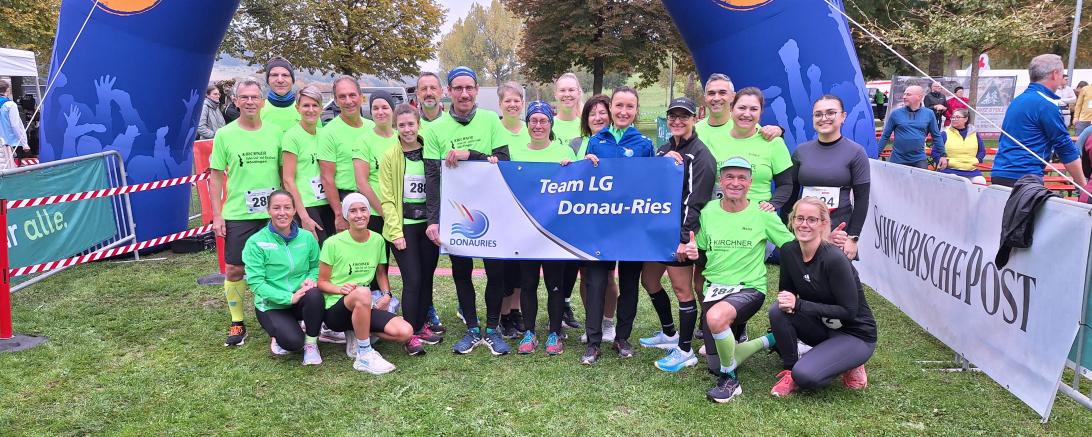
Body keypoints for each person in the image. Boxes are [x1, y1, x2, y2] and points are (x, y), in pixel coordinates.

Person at [685, 156, 791, 403]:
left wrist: (826, 245)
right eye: (729, 177)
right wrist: (694, 254)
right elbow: (701, 254)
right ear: (720, 181)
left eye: (741, 177)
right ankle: (773, 338)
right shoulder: (708, 212)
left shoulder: (762, 214)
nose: (735, 182)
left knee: (716, 319)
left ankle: (730, 380)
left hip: (749, 288)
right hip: (715, 290)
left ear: (750, 182)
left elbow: (792, 247)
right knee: (714, 361)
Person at [422, 66, 512, 355]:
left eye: (469, 88)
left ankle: (493, 328)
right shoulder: (434, 129)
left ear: (476, 90)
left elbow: (504, 160)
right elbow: (432, 178)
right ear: (448, 92)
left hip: (490, 210)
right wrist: (433, 221)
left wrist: (470, 155)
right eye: (457, 88)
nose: (463, 93)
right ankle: (472, 329)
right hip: (456, 213)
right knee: (462, 271)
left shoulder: (490, 120)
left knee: (495, 272)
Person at [768, 197, 877, 396]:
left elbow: (849, 311)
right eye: (799, 218)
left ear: (823, 224)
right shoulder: (788, 251)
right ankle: (791, 371)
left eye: (812, 220)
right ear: (791, 221)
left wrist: (799, 304)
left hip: (855, 333)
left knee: (807, 376)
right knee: (778, 311)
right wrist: (790, 302)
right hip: (824, 325)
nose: (804, 224)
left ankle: (852, 362)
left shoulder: (834, 258)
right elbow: (787, 294)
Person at [638, 97, 716, 373]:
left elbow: (695, 200)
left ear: (694, 119)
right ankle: (669, 333)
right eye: (673, 116)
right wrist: (663, 160)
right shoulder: (665, 149)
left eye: (684, 116)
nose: (678, 121)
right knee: (649, 279)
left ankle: (685, 350)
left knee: (683, 290)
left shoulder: (701, 155)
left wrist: (685, 238)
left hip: (682, 234)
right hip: (659, 232)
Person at [579, 86, 655, 365]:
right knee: (596, 281)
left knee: (629, 283)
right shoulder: (597, 141)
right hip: (602, 226)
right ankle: (594, 341)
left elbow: (653, 183)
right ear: (611, 108)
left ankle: (623, 338)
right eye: (619, 105)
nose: (623, 112)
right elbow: (585, 184)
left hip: (633, 226)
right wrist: (585, 165)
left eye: (630, 107)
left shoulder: (644, 144)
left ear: (636, 111)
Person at [209, 77, 284, 347]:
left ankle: (279, 315)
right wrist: (217, 215)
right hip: (239, 213)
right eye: (245, 97)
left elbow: (285, 172)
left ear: (262, 102)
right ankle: (237, 322)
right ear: (236, 101)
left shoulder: (276, 132)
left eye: (255, 97)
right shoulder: (225, 135)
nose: (250, 101)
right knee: (234, 269)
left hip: (274, 214)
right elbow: (215, 177)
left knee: (275, 268)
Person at [318, 193, 414, 374]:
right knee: (363, 292)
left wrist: (386, 294)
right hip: (336, 309)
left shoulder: (377, 239)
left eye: (363, 209)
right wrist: (339, 289)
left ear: (369, 213)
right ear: (346, 216)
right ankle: (364, 353)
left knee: (405, 331)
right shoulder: (332, 243)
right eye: (353, 211)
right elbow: (321, 282)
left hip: (365, 305)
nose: (359, 215)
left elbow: (380, 273)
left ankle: (357, 332)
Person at [509, 101, 577, 355]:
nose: (538, 125)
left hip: (554, 231)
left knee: (554, 284)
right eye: (533, 121)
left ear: (551, 124)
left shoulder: (564, 152)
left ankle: (554, 333)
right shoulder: (515, 151)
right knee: (527, 283)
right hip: (525, 230)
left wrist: (574, 168)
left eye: (543, 121)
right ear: (527, 124)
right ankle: (529, 331)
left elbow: (580, 182)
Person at [379, 104, 444, 356]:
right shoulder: (390, 156)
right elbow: (386, 197)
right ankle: (410, 333)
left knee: (427, 277)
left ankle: (421, 325)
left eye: (411, 124)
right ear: (396, 126)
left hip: (428, 226)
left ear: (419, 125)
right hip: (404, 227)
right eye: (402, 125)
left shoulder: (431, 150)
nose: (407, 129)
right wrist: (395, 231)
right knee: (413, 280)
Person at [242, 190, 324, 365]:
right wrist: (288, 297)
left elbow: (316, 266)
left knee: (315, 294)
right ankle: (281, 332)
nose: (282, 212)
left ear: (294, 210)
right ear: (268, 210)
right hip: (272, 305)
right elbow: (256, 283)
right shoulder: (256, 242)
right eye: (276, 208)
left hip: (300, 297)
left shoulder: (307, 237)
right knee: (293, 343)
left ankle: (311, 345)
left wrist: (311, 279)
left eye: (287, 207)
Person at [791, 95, 870, 258]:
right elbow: (791, 195)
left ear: (843, 116)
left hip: (839, 231)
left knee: (835, 280)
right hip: (804, 229)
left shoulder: (856, 152)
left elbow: (862, 199)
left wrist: (852, 238)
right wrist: (789, 230)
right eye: (818, 114)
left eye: (830, 113)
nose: (824, 118)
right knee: (803, 280)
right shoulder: (801, 151)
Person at [992, 54, 1087, 189]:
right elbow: (1065, 148)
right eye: (1062, 74)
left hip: (1000, 173)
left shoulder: (1018, 101)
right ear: (1055, 74)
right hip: (1025, 178)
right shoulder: (1045, 104)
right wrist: (1083, 187)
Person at [571, 95, 619, 341]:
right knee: (585, 274)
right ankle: (593, 321)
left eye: (602, 112)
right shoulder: (576, 143)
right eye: (592, 114)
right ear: (586, 119)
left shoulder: (614, 143)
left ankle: (608, 322)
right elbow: (566, 173)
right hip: (581, 219)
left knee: (608, 275)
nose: (598, 117)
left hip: (608, 219)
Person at [317, 76, 378, 233]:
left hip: (374, 200)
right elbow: (327, 177)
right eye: (342, 97)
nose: (348, 100)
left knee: (377, 252)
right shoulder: (328, 132)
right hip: (347, 201)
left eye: (352, 95)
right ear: (336, 101)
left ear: (361, 96)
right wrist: (339, 214)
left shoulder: (373, 128)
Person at [718, 87, 793, 211]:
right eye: (742, 108)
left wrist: (773, 204)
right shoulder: (715, 141)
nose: (747, 114)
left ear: (760, 112)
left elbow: (785, 184)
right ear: (731, 109)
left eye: (753, 109)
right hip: (720, 216)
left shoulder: (774, 142)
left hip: (758, 218)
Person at [279, 85, 334, 244]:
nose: (311, 110)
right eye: (306, 105)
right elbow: (288, 180)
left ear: (321, 108)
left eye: (315, 105)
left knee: (333, 253)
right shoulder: (292, 136)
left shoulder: (324, 134)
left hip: (327, 201)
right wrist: (303, 216)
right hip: (307, 204)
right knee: (317, 254)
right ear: (297, 108)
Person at [357, 90, 400, 292]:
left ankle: (424, 308)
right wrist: (384, 211)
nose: (380, 112)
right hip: (376, 214)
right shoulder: (363, 141)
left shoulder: (403, 136)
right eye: (375, 108)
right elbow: (362, 182)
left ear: (393, 110)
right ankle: (376, 305)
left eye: (385, 107)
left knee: (411, 267)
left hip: (402, 215)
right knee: (377, 265)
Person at [695, 74, 784, 167]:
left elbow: (770, 145)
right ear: (705, 97)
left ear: (733, 96)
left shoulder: (747, 126)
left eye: (722, 93)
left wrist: (779, 131)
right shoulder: (695, 131)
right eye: (711, 93)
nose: (716, 98)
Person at [878, 84, 942, 169]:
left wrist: (943, 155)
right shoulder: (896, 114)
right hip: (898, 159)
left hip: (919, 159)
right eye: (904, 94)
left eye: (908, 94)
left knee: (922, 182)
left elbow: (936, 136)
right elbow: (885, 136)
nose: (904, 97)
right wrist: (876, 154)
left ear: (919, 97)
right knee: (896, 182)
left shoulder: (929, 113)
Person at [933, 108, 986, 185]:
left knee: (980, 181)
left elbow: (982, 151)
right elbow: (935, 151)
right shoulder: (945, 133)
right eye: (953, 117)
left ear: (966, 119)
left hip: (971, 170)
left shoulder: (975, 134)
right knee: (956, 182)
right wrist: (941, 161)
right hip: (950, 169)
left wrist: (977, 160)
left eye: (957, 117)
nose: (954, 119)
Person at [261, 56, 302, 133]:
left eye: (285, 75)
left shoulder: (308, 109)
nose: (280, 80)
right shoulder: (257, 110)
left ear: (292, 80)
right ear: (268, 80)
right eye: (274, 75)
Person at [0, 80, 28, 166]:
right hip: (13, 143)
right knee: (14, 170)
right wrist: (24, 143)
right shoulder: (10, 105)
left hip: (1, 143)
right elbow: (15, 125)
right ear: (7, 90)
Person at [552, 73, 584, 142]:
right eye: (562, 90)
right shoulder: (548, 125)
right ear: (555, 94)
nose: (567, 94)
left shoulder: (586, 126)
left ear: (578, 93)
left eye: (571, 90)